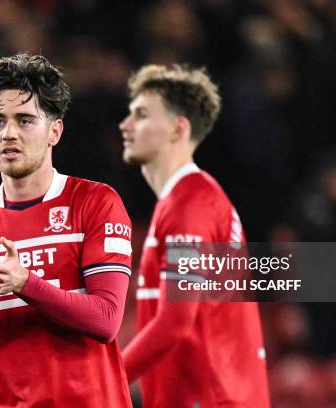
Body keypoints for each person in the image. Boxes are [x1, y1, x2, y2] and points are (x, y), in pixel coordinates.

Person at [0, 53, 133, 407]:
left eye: (25, 120)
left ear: (54, 131)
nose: (9, 133)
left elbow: (107, 320)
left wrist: (23, 282)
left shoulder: (94, 202)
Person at [119, 64, 270, 407]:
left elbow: (176, 322)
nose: (125, 126)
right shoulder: (186, 203)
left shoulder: (191, 206)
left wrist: (105, 380)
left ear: (178, 128)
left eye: (141, 115)